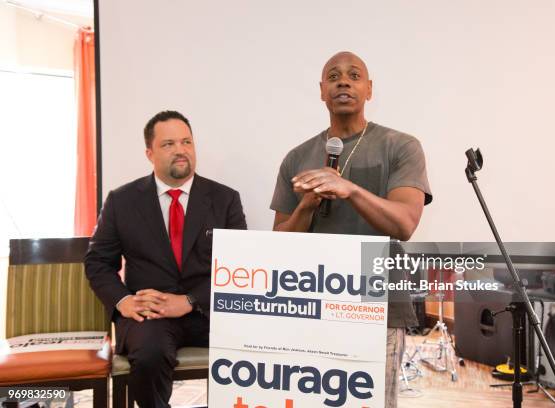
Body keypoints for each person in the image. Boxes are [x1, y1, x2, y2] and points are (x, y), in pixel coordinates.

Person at [270, 51, 432, 407]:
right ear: (322, 91)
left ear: (369, 89)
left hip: (376, 302)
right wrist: (306, 205)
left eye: (354, 75)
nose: (343, 81)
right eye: (334, 76)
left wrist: (351, 190)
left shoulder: (401, 146)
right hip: (313, 301)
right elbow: (279, 245)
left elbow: (404, 224)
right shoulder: (297, 158)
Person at [85, 110, 247, 408]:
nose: (181, 150)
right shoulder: (121, 201)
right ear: (150, 153)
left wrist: (187, 301)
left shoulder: (225, 199)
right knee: (148, 355)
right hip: (151, 315)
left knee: (262, 344)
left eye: (187, 141)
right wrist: (124, 301)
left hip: (208, 311)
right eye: (169, 144)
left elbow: (239, 268)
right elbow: (97, 262)